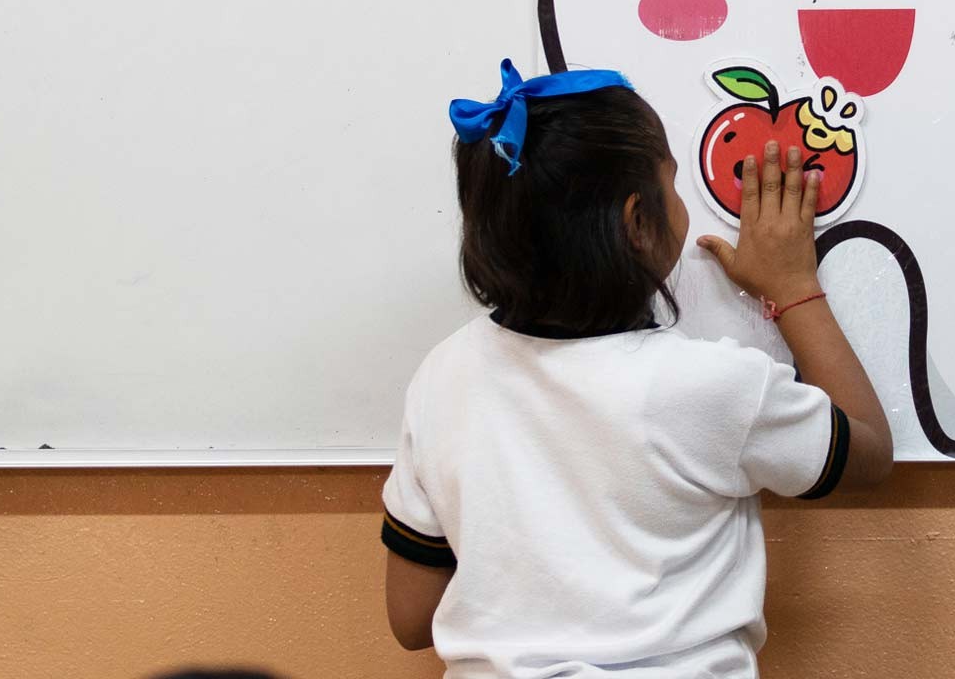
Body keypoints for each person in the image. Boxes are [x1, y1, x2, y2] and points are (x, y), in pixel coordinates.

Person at [381, 62, 892, 677]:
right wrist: (794, 286)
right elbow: (867, 453)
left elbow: (411, 619)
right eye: (673, 185)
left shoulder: (443, 375)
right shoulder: (715, 386)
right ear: (638, 223)